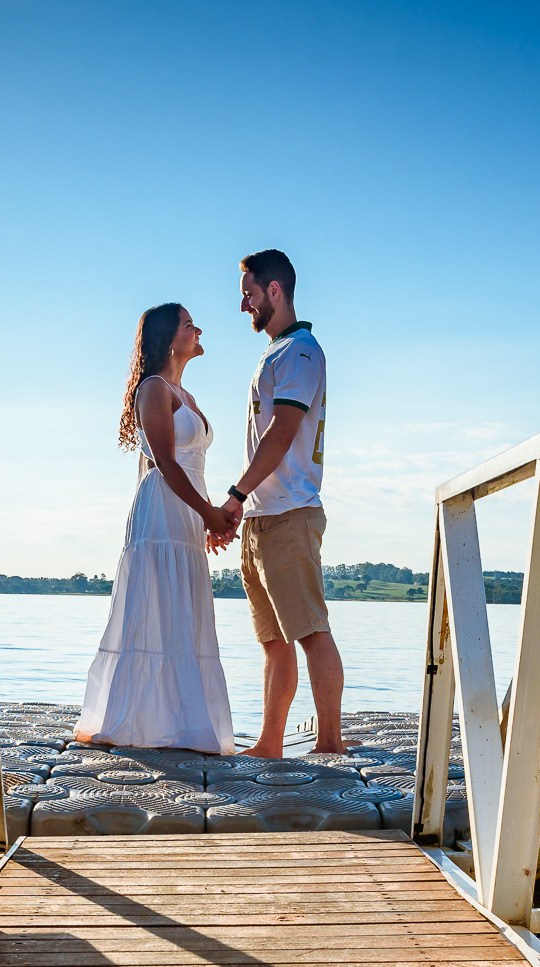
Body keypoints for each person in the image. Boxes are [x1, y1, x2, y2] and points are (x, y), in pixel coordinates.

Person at [75, 303, 238, 753]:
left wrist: (205, 516)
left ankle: (184, 722)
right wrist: (208, 513)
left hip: (185, 509)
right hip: (163, 510)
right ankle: (141, 720)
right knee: (157, 604)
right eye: (190, 324)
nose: (199, 328)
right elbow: (164, 462)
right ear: (171, 338)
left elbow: (187, 463)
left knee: (182, 610)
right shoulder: (153, 389)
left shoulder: (185, 394)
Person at [217, 249, 344, 755]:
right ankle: (270, 741)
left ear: (275, 290)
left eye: (248, 293)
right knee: (273, 640)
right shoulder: (275, 352)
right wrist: (245, 507)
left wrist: (235, 494)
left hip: (289, 512)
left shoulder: (300, 351)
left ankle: (330, 743)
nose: (244, 304)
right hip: (262, 516)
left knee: (311, 630)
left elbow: (282, 431)